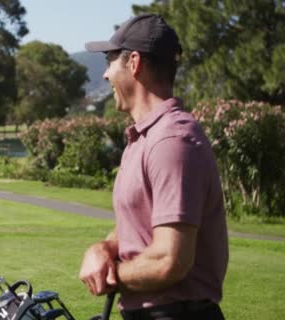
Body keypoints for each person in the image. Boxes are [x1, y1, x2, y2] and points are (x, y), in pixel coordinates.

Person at [79, 14, 228, 320]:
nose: (105, 75)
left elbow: (168, 260)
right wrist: (104, 248)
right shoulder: (143, 139)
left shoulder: (172, 141)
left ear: (134, 63)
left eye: (110, 61)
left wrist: (110, 275)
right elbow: (140, 230)